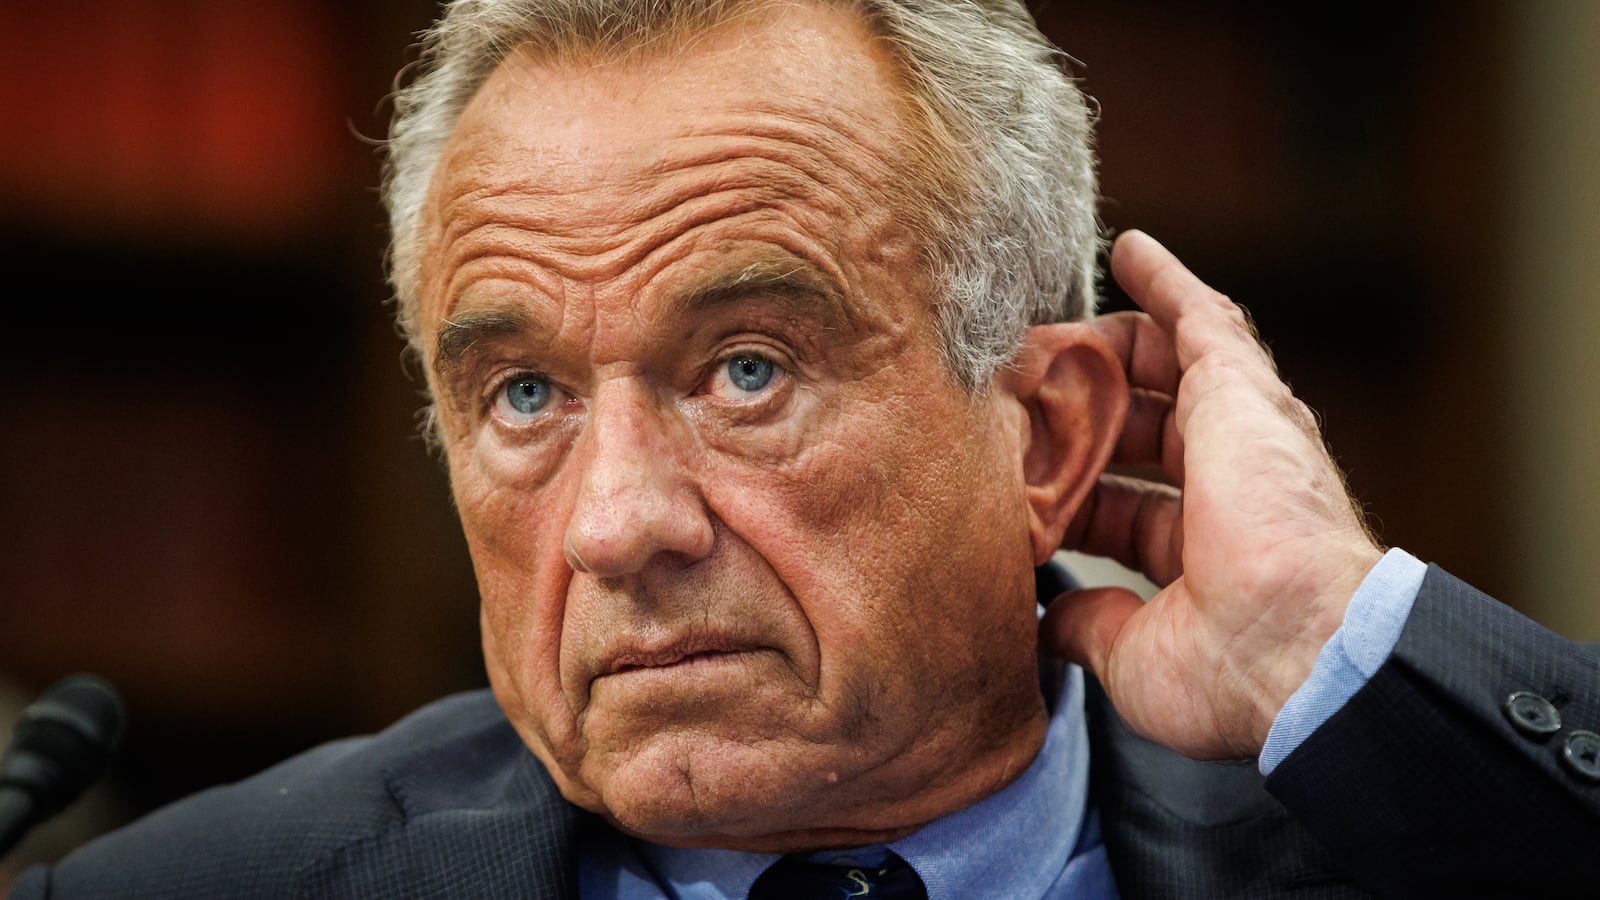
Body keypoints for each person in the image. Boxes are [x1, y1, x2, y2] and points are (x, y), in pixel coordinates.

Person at [10, 0, 1598, 897]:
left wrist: (1334, 639)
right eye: (524, 397)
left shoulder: (1415, 848)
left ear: (1047, 434)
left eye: (748, 369)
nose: (617, 525)